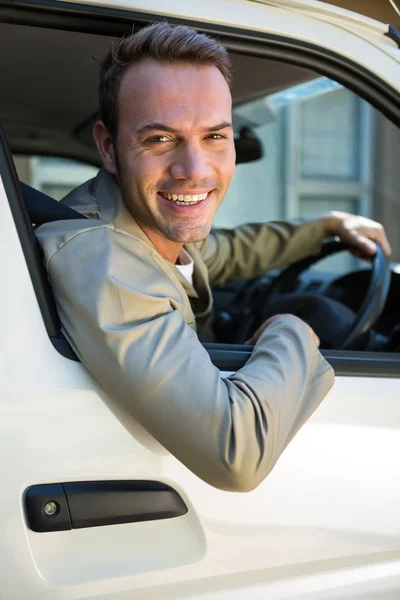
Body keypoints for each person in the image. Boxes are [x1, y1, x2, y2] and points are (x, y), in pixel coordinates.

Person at [36, 22, 391, 492]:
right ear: (108, 146)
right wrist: (292, 331)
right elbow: (236, 452)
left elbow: (223, 253)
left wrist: (323, 226)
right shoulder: (104, 260)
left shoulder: (137, 218)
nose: (194, 170)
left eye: (215, 137)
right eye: (160, 139)